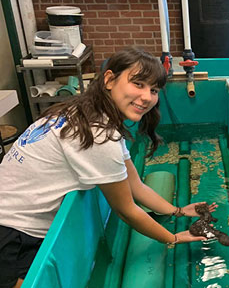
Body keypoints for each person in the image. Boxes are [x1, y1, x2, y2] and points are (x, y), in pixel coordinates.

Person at [0, 47, 216, 288]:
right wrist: (173, 237)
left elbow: (135, 185)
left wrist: (177, 211)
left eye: (153, 90)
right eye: (138, 84)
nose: (146, 97)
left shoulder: (86, 113)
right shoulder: (98, 135)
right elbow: (126, 210)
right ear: (109, 79)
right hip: (10, 233)